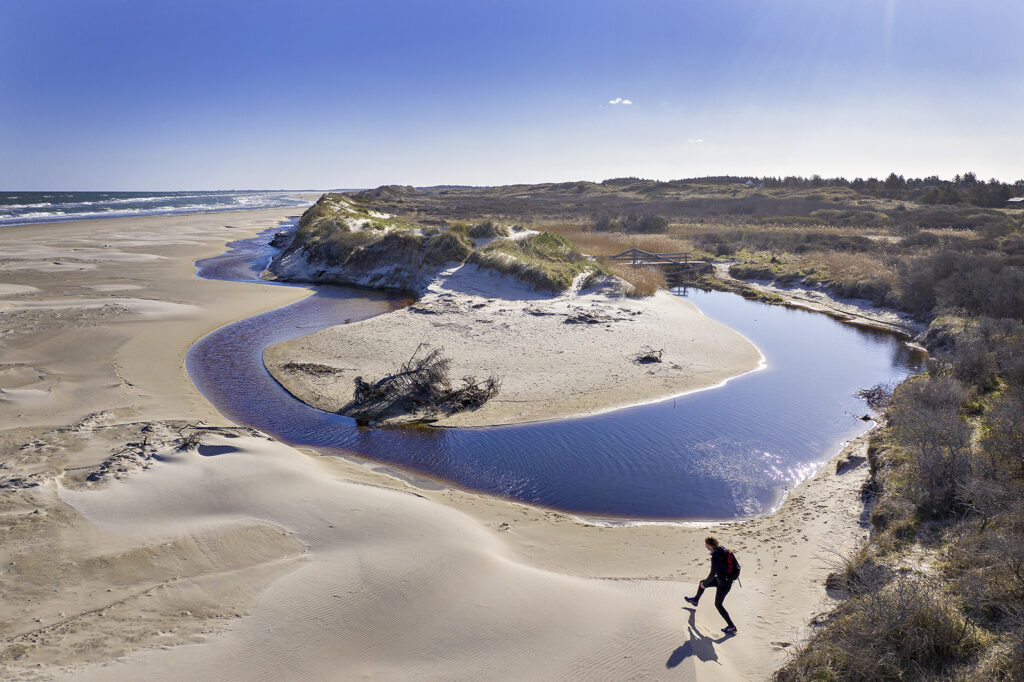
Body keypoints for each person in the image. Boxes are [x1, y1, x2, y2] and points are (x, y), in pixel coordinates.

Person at [684, 536, 737, 634]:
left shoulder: (716, 557)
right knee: (701, 583)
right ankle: (695, 600)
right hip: (724, 579)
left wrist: (706, 584)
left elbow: (712, 573)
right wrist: (704, 583)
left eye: (707, 545)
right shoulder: (723, 549)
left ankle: (732, 626)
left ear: (711, 546)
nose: (706, 547)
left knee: (718, 604)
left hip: (724, 584)